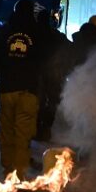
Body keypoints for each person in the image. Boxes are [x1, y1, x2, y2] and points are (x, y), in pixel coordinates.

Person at [0, 0, 44, 178]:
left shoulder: (5, 31)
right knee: (23, 132)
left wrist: (2, 70)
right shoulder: (38, 32)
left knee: (7, 130)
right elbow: (47, 59)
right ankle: (20, 172)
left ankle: (8, 167)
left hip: (7, 88)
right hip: (29, 90)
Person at [35, 8, 71, 142]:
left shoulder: (32, 35)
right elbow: (69, 48)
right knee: (52, 102)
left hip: (37, 74)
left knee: (38, 102)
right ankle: (46, 128)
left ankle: (38, 127)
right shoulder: (56, 35)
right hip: (54, 74)